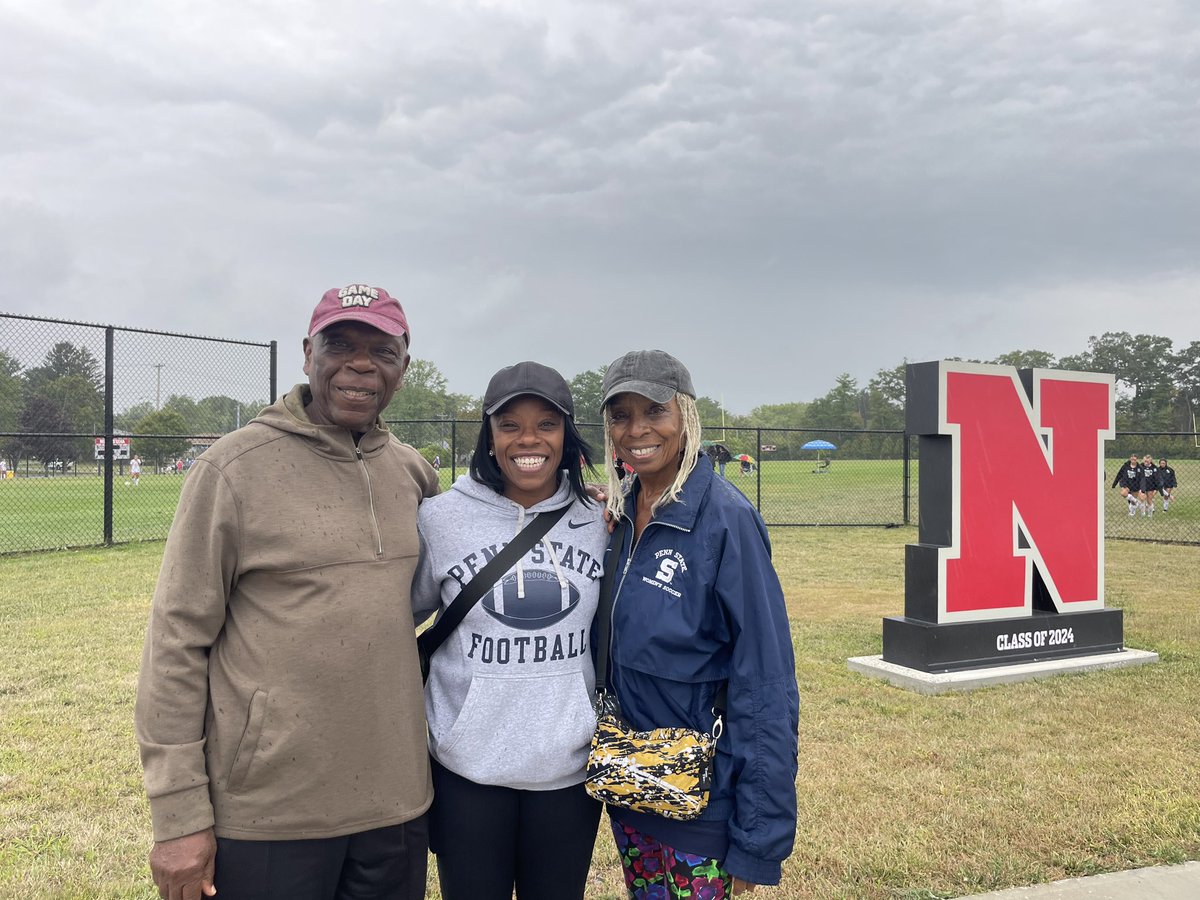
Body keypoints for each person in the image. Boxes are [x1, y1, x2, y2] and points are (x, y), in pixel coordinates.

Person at [135, 284, 438, 900]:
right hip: (270, 812)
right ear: (307, 353)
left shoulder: (412, 472)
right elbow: (176, 643)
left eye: (381, 350)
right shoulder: (233, 469)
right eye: (340, 344)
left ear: (403, 368)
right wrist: (178, 817)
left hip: (397, 805)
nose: (359, 364)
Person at [598, 349, 799, 897]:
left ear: (685, 416)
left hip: (704, 807)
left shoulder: (726, 520)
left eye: (654, 412)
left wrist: (758, 840)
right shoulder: (619, 515)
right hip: (635, 788)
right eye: (621, 415)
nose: (637, 429)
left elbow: (766, 682)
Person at [411, 361, 607, 900]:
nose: (529, 439)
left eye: (547, 424)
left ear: (567, 436)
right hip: (466, 770)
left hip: (567, 772)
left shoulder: (600, 521)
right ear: (488, 437)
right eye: (510, 425)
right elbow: (396, 618)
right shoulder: (440, 518)